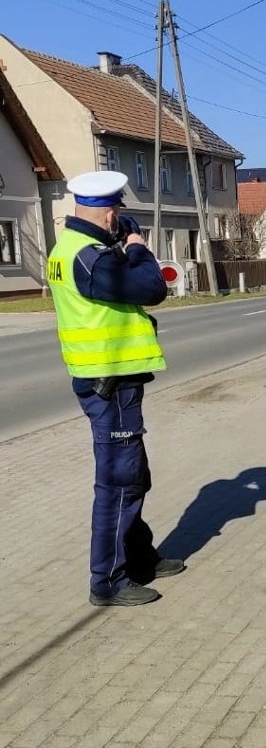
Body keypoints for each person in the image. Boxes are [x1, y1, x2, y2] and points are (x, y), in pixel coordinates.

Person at [46, 170, 184, 607]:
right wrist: (139, 248)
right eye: (119, 211)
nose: (121, 218)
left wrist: (119, 242)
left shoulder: (74, 249)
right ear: (109, 214)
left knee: (133, 477)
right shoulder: (91, 257)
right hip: (111, 383)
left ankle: (140, 557)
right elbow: (151, 288)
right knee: (119, 483)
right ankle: (107, 581)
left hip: (111, 382)